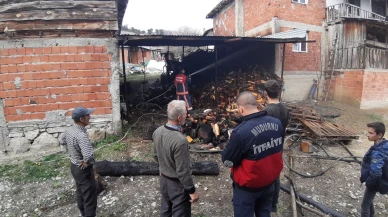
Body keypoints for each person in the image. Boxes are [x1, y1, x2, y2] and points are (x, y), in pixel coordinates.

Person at [222, 91, 284, 217]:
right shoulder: (277, 124)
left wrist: (231, 143)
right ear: (256, 105)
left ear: (241, 109)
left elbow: (228, 161)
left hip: (247, 189)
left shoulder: (240, 132)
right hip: (269, 183)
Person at [153, 100, 199, 217]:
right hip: (177, 186)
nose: (186, 116)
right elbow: (183, 171)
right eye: (185, 114)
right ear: (179, 117)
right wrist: (192, 191)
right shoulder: (180, 140)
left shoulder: (157, 132)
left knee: (166, 211)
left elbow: (155, 155)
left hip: (164, 181)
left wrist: (163, 168)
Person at [61, 107, 97, 217]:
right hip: (83, 170)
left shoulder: (70, 130)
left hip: (74, 167)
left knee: (81, 192)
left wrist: (73, 153)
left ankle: (83, 214)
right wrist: (87, 162)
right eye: (87, 115)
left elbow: (62, 141)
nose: (89, 117)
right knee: (89, 197)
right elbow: (88, 155)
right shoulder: (81, 135)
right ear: (82, 119)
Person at [263, 80, 289, 212]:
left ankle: (266, 204)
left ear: (265, 93)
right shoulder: (285, 109)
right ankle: (273, 204)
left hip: (268, 148)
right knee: (276, 176)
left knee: (267, 176)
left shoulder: (267, 111)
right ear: (278, 92)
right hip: (279, 146)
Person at [360, 122, 388, 217]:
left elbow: (376, 173)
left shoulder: (378, 152)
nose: (368, 135)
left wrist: (369, 182)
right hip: (378, 181)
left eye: (371, 133)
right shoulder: (384, 145)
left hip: (375, 182)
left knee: (364, 206)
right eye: (368, 132)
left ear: (379, 135)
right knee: (368, 201)